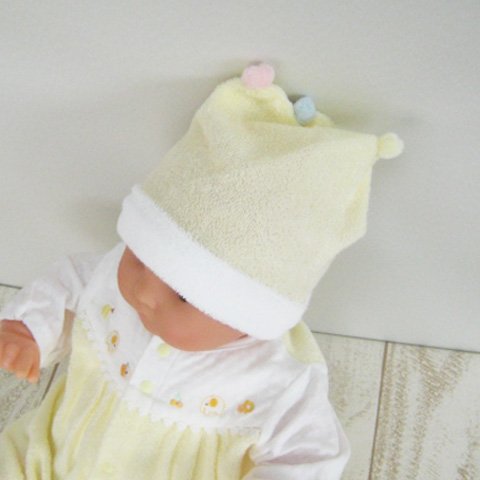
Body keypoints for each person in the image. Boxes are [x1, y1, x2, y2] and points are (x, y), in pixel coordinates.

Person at [0, 61, 404, 479]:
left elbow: (310, 456)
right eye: (140, 258)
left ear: (246, 317)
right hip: (54, 455)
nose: (144, 293)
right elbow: (71, 283)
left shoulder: (277, 378)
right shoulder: (111, 282)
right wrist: (29, 330)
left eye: (182, 295)